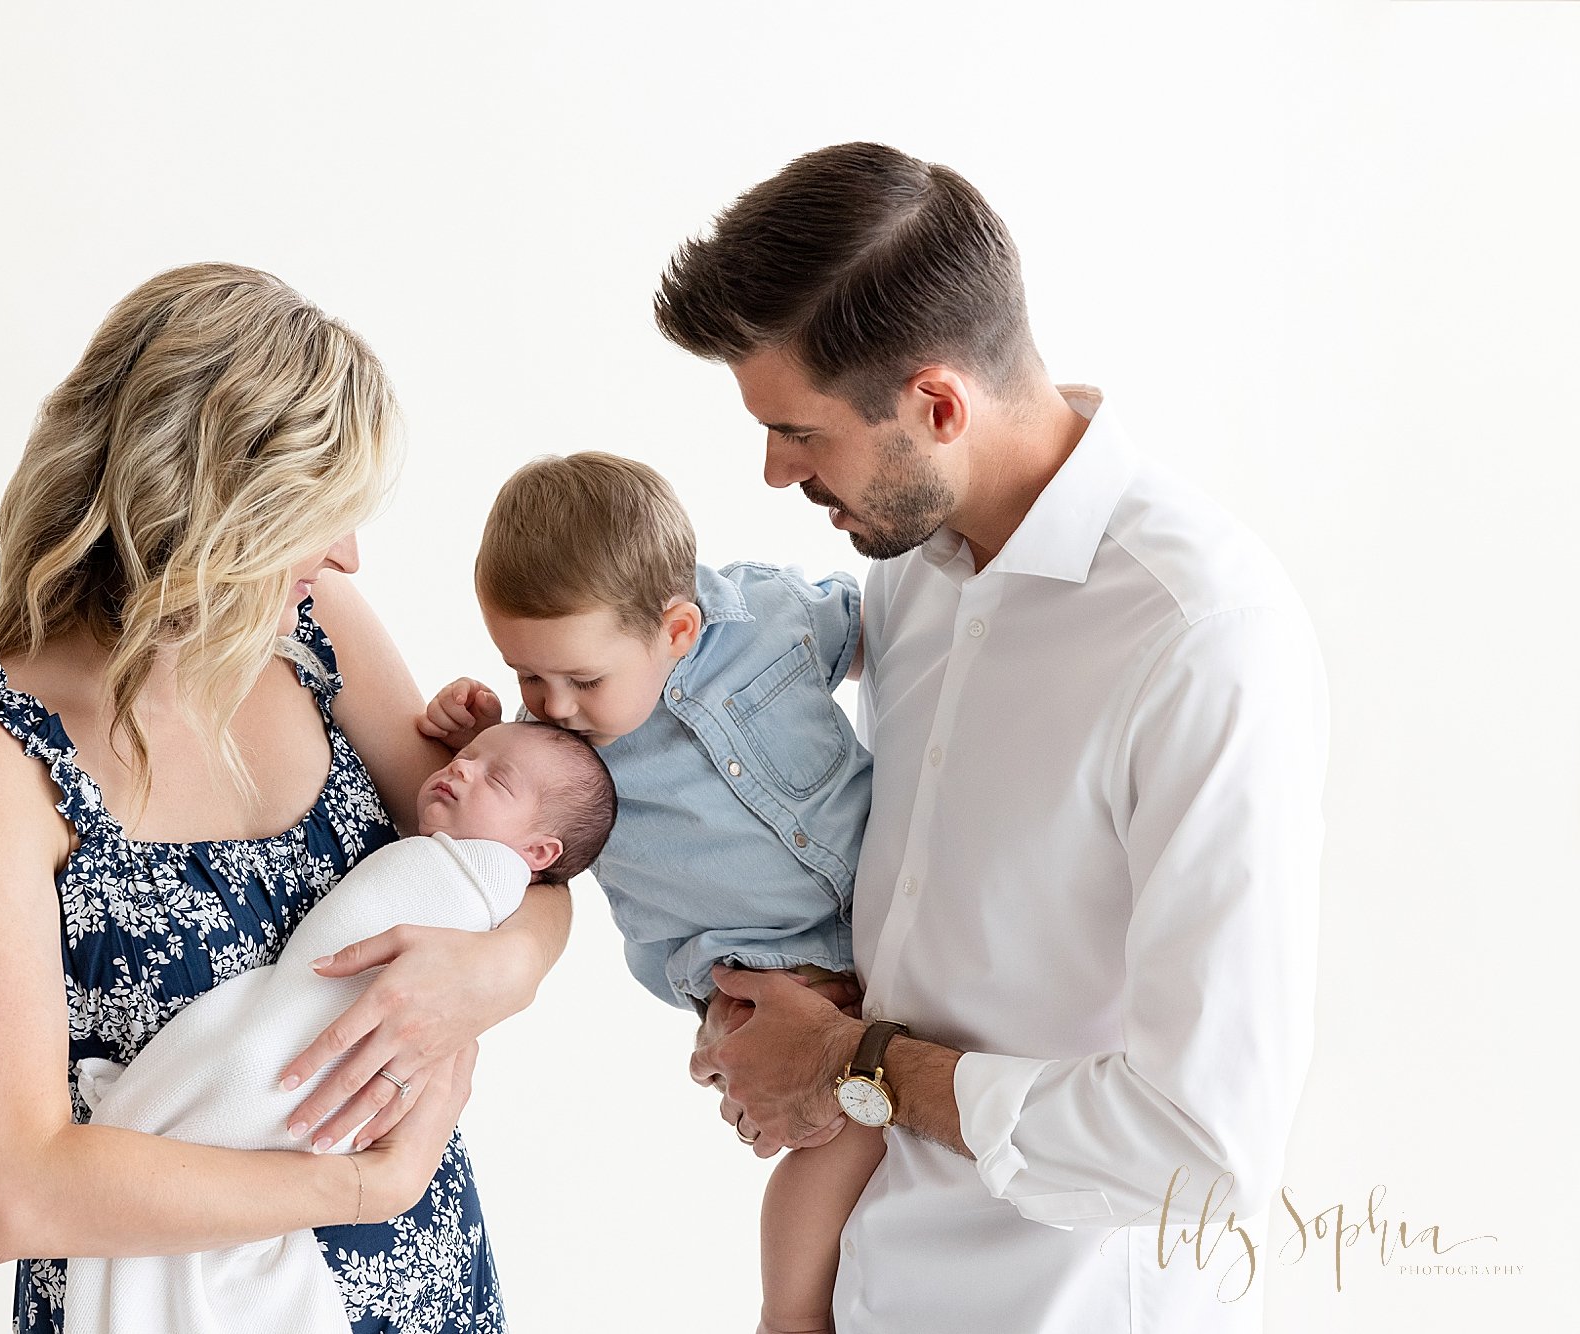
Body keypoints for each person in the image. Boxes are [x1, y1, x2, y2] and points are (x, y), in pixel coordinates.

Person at [659, 144, 1328, 1332]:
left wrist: (851, 1065)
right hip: (865, 1286)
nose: (772, 471)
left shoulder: (1198, 638)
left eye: (799, 432)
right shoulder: (912, 576)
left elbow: (1204, 1148)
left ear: (935, 405)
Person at [0, 262, 569, 1334]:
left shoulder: (317, 631)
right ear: (210, 506)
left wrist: (495, 969)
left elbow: (524, 852)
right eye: (320, 513)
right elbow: (8, 1191)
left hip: (428, 1286)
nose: (348, 552)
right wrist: (358, 1190)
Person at [420, 451, 880, 1334]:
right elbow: (482, 838)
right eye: (526, 676)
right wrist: (471, 747)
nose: (551, 705)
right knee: (838, 1137)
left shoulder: (773, 617)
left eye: (581, 680)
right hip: (764, 975)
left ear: (677, 630)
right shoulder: (556, 761)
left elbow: (882, 631)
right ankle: (789, 1315)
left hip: (897, 913)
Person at [64, 722, 617, 1334]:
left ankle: (160, 1112)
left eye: (496, 777)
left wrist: (512, 962)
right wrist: (381, 1184)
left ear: (537, 855)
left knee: (270, 1072)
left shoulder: (474, 880)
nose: (461, 768)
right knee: (255, 1061)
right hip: (192, 1192)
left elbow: (546, 899)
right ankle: (167, 1116)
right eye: (465, 754)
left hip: (420, 1252)